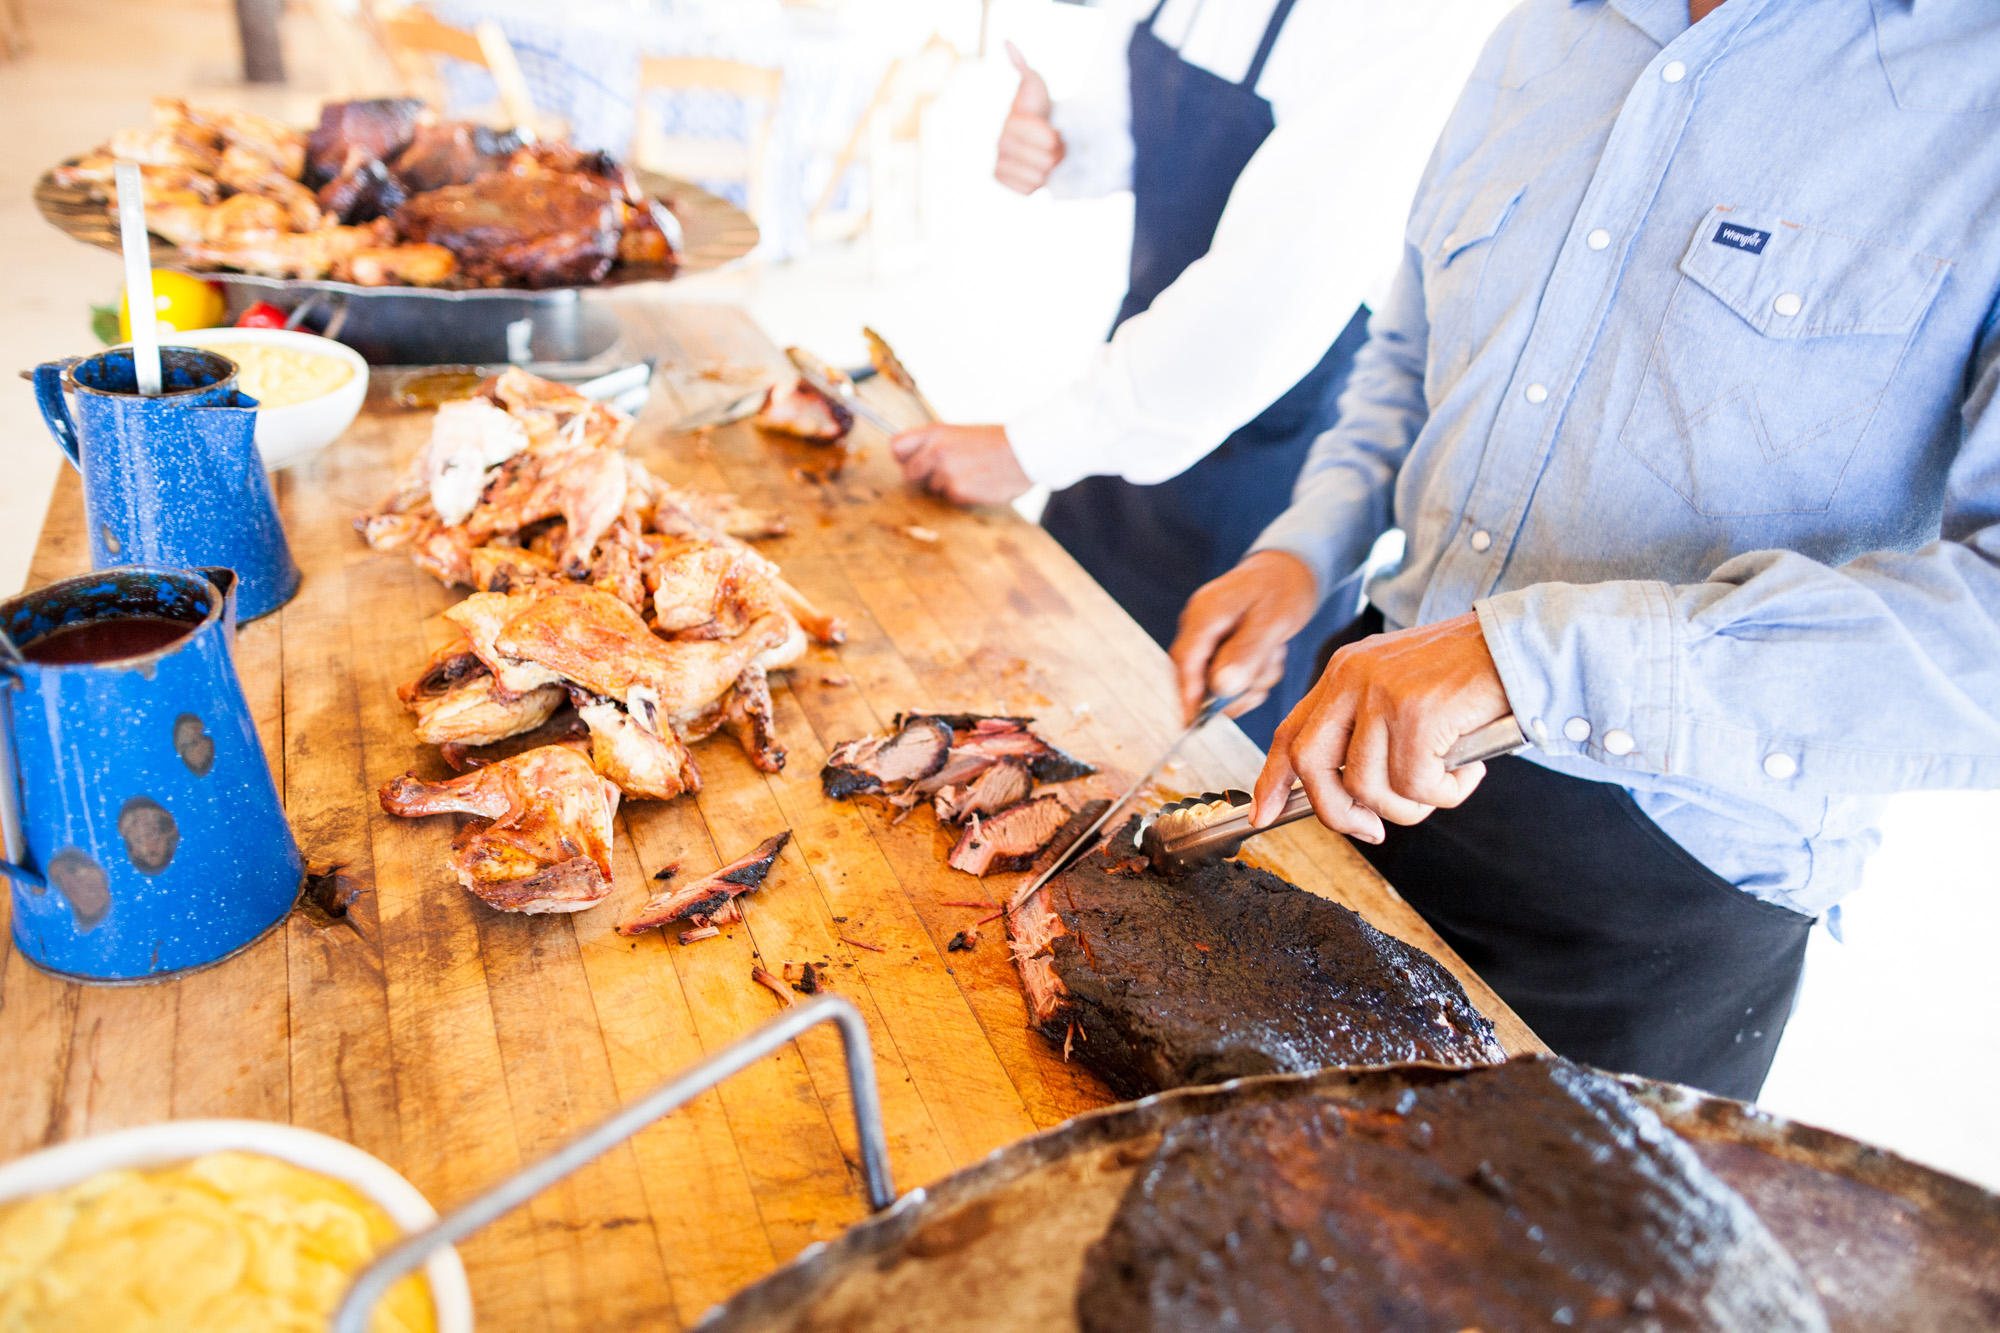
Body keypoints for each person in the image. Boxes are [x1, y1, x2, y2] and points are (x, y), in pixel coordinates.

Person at [1171, 0, 2000, 1102]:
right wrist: (1304, 547)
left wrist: (1524, 659)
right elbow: (1411, 351)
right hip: (1354, 773)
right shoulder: (1539, 30)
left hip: (1651, 903)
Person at [890, 0, 1505, 745]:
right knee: (1033, 672)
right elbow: (1128, 129)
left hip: (1270, 443)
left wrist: (1032, 446)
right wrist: (1060, 142)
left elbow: (1275, 280)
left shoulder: (1411, 20)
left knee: (1187, 752)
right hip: (1129, 384)